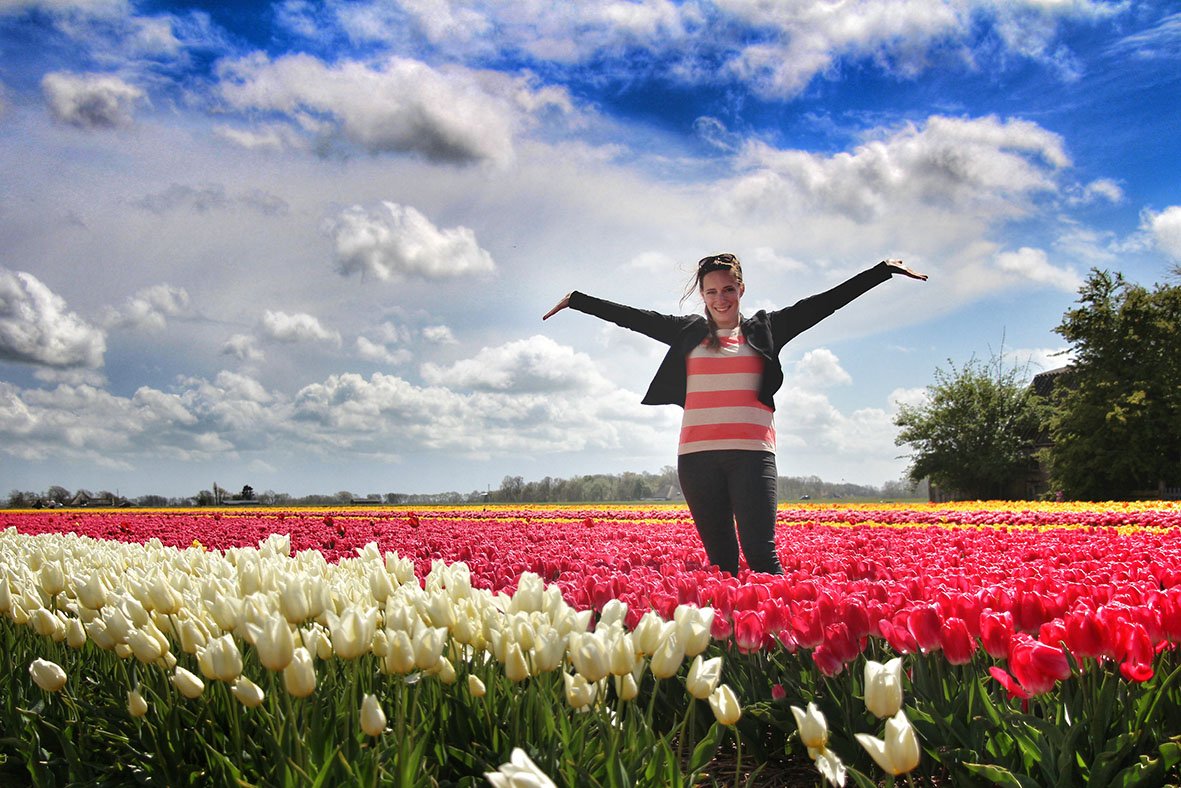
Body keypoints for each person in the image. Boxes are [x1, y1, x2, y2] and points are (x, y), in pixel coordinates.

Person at [543, 254, 927, 576]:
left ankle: (779, 647)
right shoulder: (688, 332)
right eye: (711, 291)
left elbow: (824, 303)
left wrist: (882, 270)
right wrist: (577, 300)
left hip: (752, 456)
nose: (720, 298)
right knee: (721, 565)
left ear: (740, 289)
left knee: (762, 557)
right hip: (696, 459)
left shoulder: (768, 328)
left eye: (728, 289)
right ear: (702, 294)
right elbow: (632, 317)